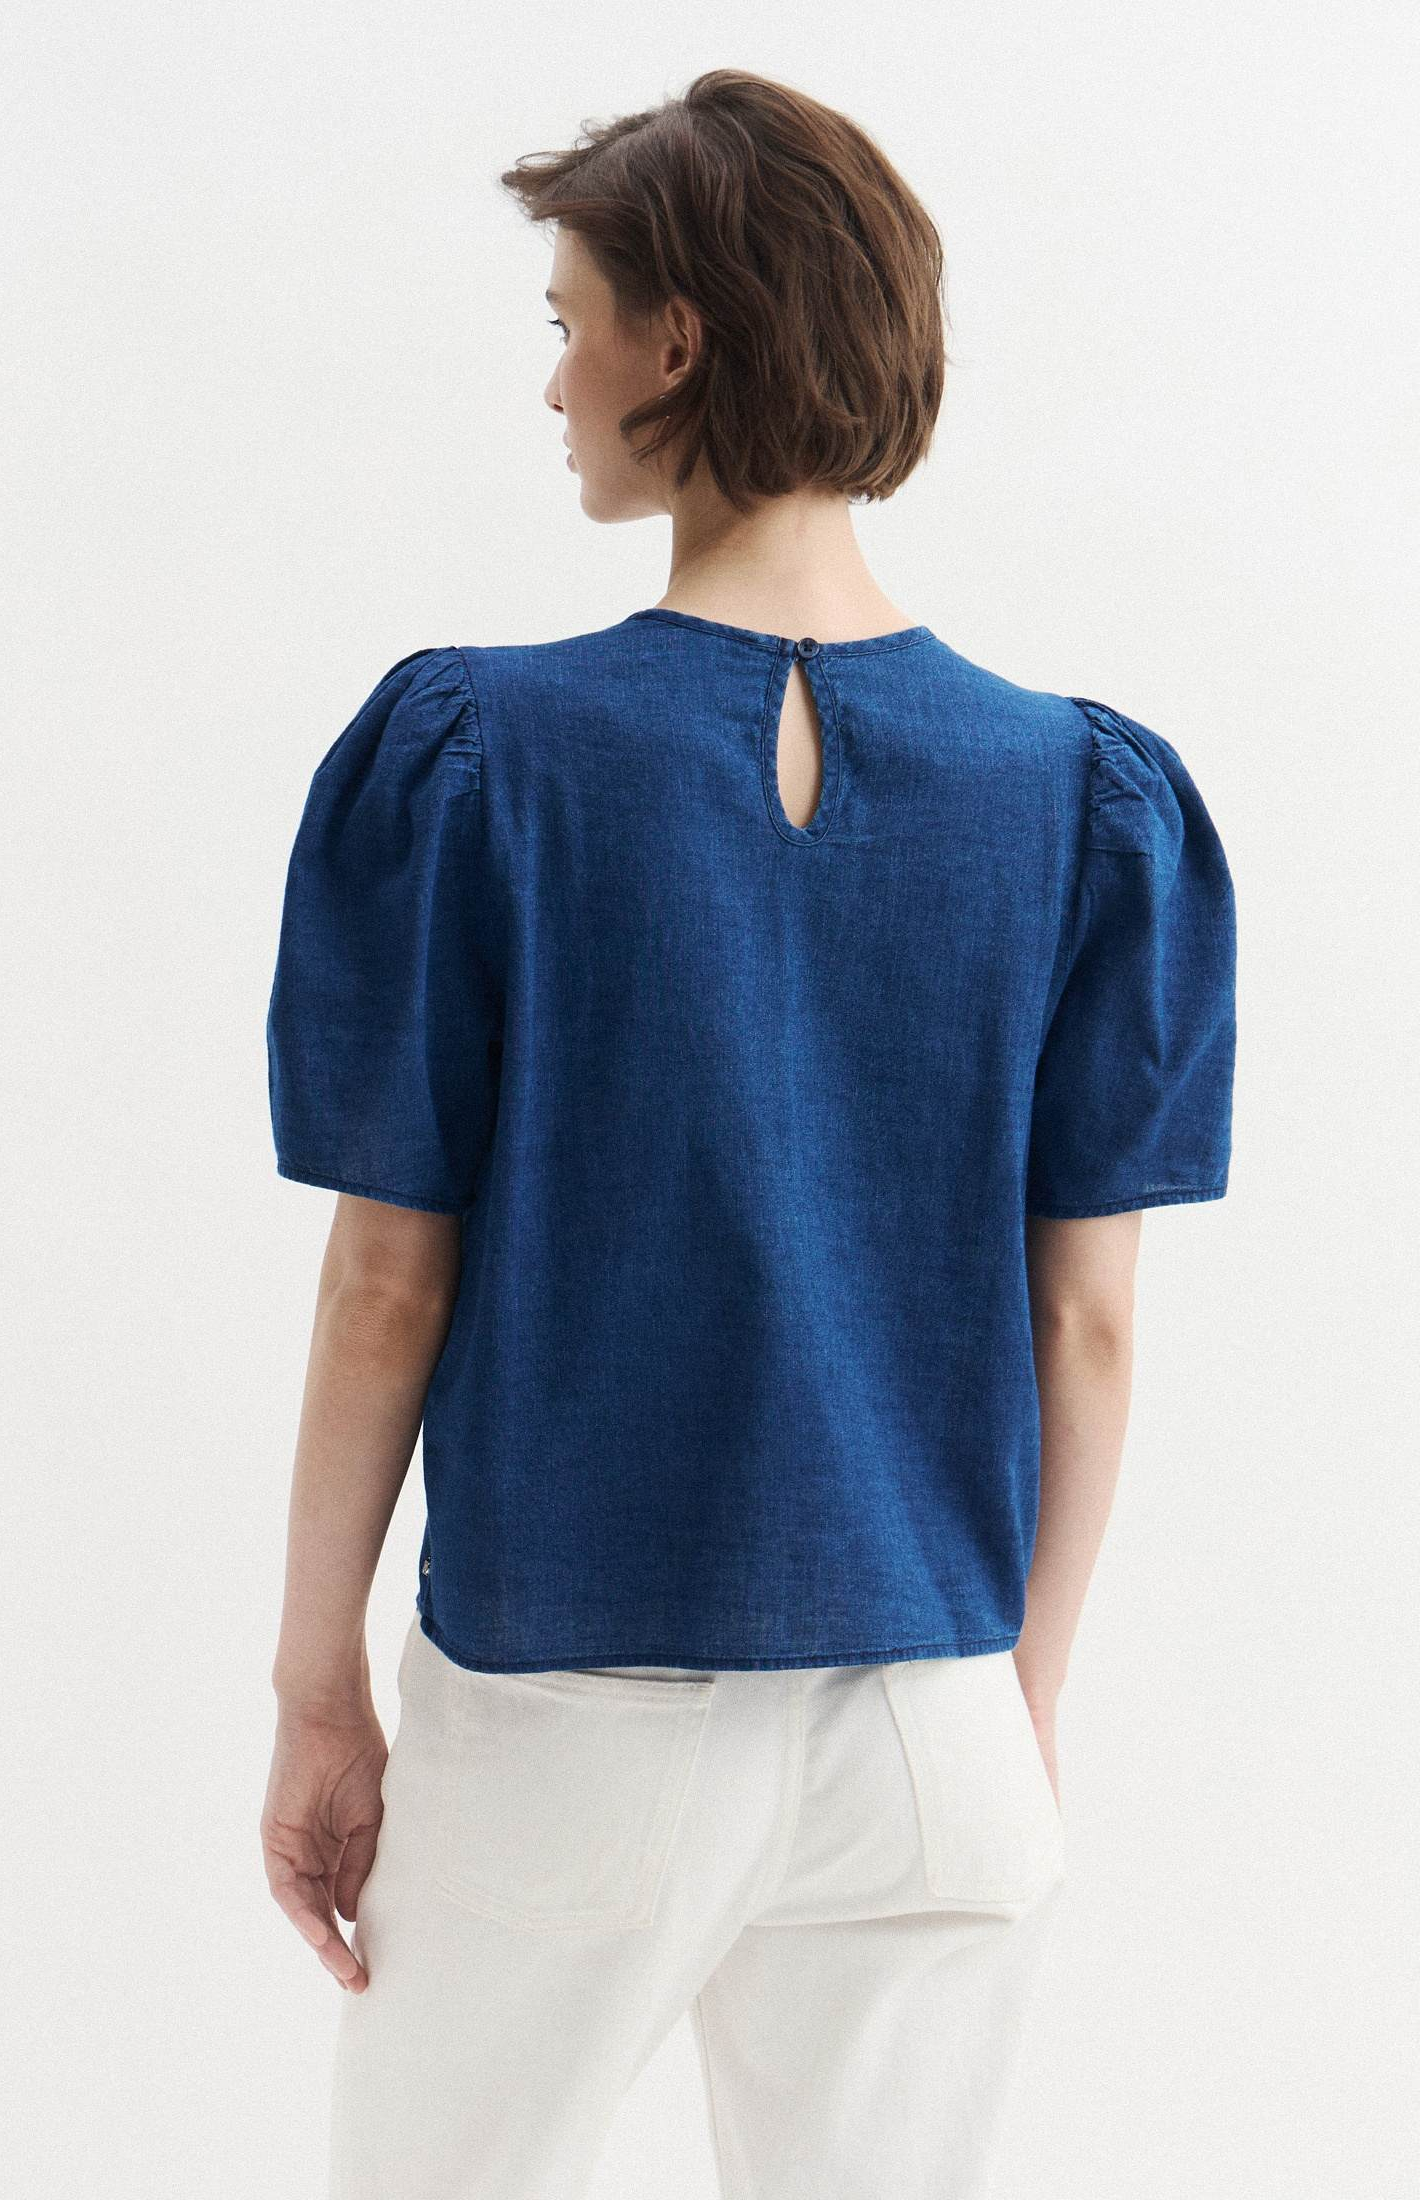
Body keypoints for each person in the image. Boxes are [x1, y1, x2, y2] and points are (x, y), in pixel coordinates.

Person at [258, 66, 1236, 2200]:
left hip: (572, 1702)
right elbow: (1090, 1324)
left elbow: (384, 1283)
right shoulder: (1085, 799)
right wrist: (1017, 1702)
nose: (555, 383)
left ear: (677, 339)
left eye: (569, 320)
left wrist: (318, 1686)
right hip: (936, 1712)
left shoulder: (483, 758)